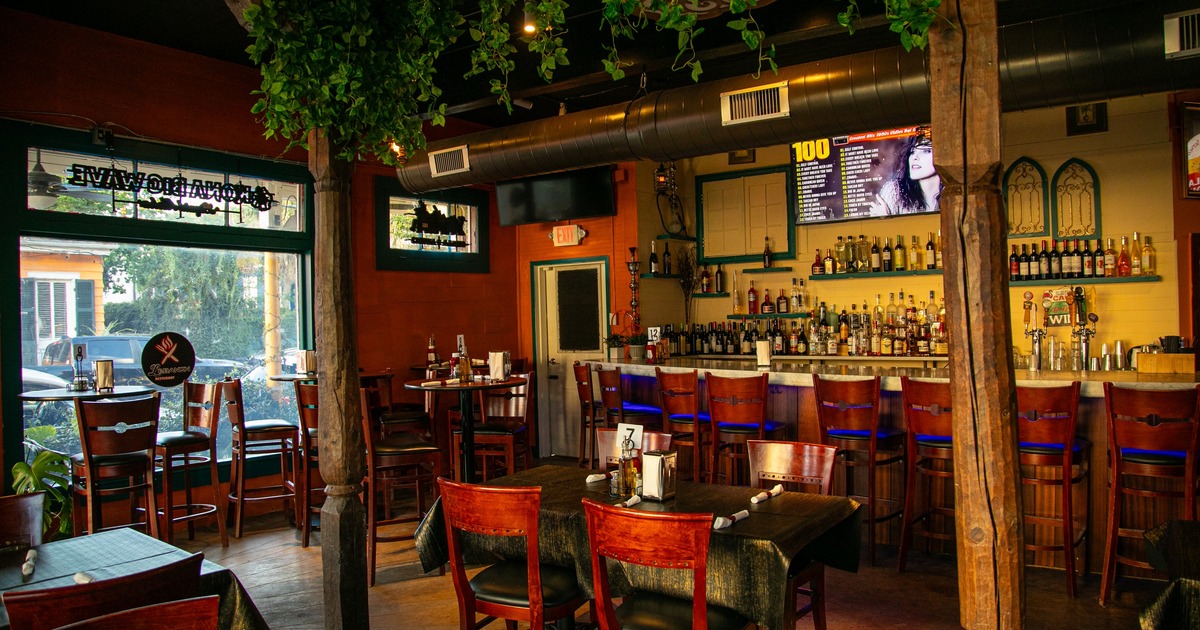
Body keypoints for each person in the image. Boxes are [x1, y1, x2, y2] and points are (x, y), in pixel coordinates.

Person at [870, 128, 942, 216]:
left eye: (926, 151)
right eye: (912, 152)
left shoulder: (952, 195)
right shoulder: (895, 190)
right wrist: (886, 221)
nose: (915, 157)